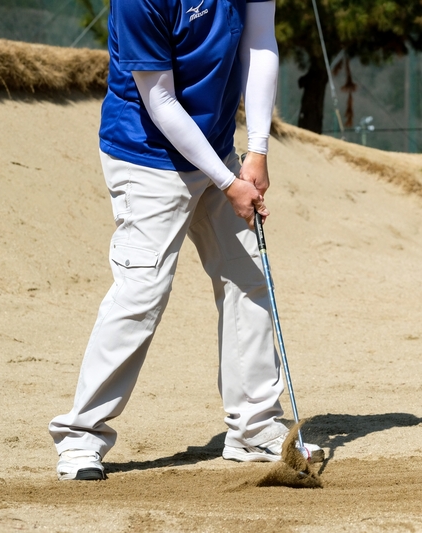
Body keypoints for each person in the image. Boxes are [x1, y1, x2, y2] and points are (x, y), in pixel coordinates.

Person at [48, 0, 322, 481]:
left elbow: (259, 43)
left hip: (215, 145)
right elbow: (160, 100)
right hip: (146, 155)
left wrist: (255, 152)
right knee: (142, 293)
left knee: (247, 279)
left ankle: (254, 430)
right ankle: (80, 438)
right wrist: (228, 182)